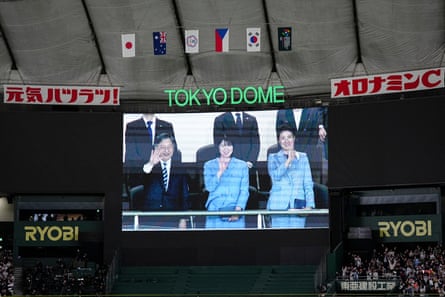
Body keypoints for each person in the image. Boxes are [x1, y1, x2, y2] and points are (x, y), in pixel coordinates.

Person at [135, 133, 190, 228]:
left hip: (173, 218)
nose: (166, 150)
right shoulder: (149, 166)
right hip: (151, 217)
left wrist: (183, 219)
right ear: (156, 149)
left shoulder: (180, 168)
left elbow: (184, 196)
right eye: (162, 147)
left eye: (169, 147)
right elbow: (138, 181)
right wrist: (151, 164)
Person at [267, 125, 315, 228]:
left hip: (298, 205)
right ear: (279, 141)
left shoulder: (303, 157)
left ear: (294, 138)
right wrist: (288, 161)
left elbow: (308, 183)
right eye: (282, 138)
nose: (286, 140)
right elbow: (275, 177)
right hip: (278, 205)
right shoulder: (273, 158)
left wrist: (310, 205)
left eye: (289, 137)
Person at [204, 137, 249, 229]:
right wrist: (219, 172)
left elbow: (244, 191)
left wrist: (238, 210)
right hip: (215, 209)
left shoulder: (242, 165)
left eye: (229, 145)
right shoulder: (209, 165)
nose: (226, 149)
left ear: (233, 147)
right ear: (218, 147)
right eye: (223, 145)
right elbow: (209, 187)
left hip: (235, 209)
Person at [124, 113, 177, 188]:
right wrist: (149, 166)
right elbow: (131, 156)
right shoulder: (132, 126)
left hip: (164, 179)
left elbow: (174, 151)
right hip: (140, 180)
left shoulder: (166, 126)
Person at [275, 107, 328, 183]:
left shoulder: (314, 111)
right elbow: (279, 136)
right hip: (290, 161)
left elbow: (314, 138)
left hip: (310, 158)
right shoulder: (282, 112)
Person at [213, 111, 260, 188]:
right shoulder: (220, 120)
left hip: (248, 167)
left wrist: (251, 161)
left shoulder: (252, 119)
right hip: (229, 168)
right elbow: (218, 144)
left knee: (250, 194)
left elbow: (256, 143)